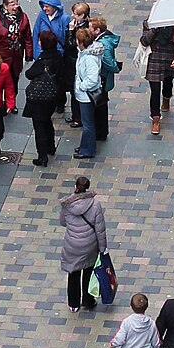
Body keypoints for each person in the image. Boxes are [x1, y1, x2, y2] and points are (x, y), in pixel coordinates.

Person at [59, 175, 107, 312]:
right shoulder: (95, 205)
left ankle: (73, 304)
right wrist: (102, 248)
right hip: (90, 245)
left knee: (73, 273)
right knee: (88, 272)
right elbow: (100, 228)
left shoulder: (67, 204)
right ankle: (88, 300)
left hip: (72, 245)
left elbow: (63, 222)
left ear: (75, 187)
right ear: (87, 188)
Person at [23, 32, 63, 166]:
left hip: (40, 99)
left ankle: (42, 156)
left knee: (39, 126)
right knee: (47, 122)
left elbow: (29, 74)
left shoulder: (43, 60)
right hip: (53, 95)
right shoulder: (57, 56)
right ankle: (51, 147)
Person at [0, 0, 33, 98]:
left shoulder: (23, 17)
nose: (15, 7)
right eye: (12, 5)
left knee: (14, 81)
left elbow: (27, 36)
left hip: (16, 58)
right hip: (0, 58)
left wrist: (29, 55)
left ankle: (11, 102)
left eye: (16, 3)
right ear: (5, 6)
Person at [141, 23, 174, 136]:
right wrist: (154, 29)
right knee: (155, 90)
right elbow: (144, 41)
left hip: (169, 58)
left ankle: (166, 98)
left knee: (168, 83)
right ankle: (155, 118)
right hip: (154, 58)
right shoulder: (148, 23)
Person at [73, 28, 104, 160]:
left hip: (86, 96)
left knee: (87, 124)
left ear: (81, 43)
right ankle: (85, 145)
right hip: (83, 94)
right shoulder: (84, 53)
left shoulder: (89, 58)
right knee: (88, 123)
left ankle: (87, 150)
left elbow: (92, 79)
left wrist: (80, 87)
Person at [89, 16, 121, 142]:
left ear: (97, 31)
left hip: (102, 79)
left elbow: (109, 63)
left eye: (91, 28)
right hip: (103, 79)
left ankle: (101, 132)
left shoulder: (103, 44)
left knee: (100, 107)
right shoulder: (104, 40)